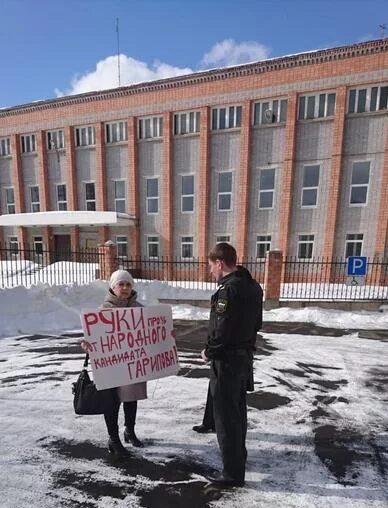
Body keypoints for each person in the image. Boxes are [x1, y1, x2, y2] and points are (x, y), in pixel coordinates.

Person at [202, 243, 263, 488]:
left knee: (226, 417)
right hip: (244, 358)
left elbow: (221, 328)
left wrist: (210, 350)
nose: (210, 272)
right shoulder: (253, 286)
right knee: (238, 412)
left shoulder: (228, 290)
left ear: (219, 263)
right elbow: (257, 323)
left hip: (226, 360)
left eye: (210, 266)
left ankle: (232, 473)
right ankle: (239, 458)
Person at [100, 269, 147, 457]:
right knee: (112, 402)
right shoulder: (105, 310)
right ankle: (114, 438)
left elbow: (149, 334)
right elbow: (97, 337)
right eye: (121, 284)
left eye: (128, 284)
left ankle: (130, 431)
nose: (125, 288)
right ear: (113, 287)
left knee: (131, 397)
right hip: (112, 365)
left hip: (133, 362)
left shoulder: (139, 308)